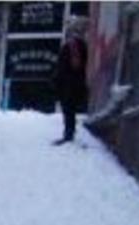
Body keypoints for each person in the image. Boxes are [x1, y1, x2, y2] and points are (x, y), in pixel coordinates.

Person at [53, 17, 88, 145]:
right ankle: (69, 133)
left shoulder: (72, 45)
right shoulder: (81, 44)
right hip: (75, 82)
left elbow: (70, 65)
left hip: (69, 83)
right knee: (69, 110)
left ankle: (68, 135)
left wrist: (58, 79)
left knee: (68, 110)